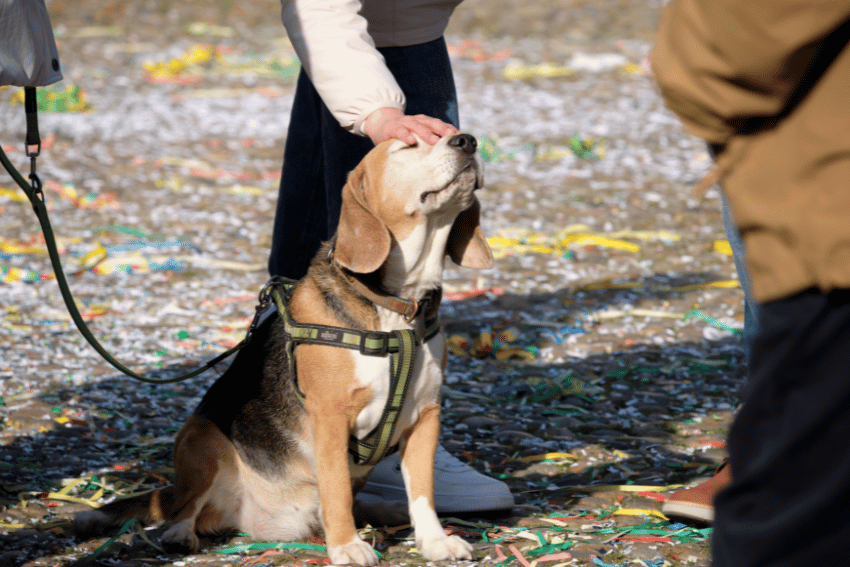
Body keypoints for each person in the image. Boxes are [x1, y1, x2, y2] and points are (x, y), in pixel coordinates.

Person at [267, 0, 514, 515]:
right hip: (392, 24)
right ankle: (364, 437)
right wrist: (378, 112)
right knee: (394, 161)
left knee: (364, 58)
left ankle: (359, 426)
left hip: (408, 19)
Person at [653, 1, 850, 565]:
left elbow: (736, 42)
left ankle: (764, 455)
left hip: (828, 225)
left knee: (789, 520)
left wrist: (699, 91)